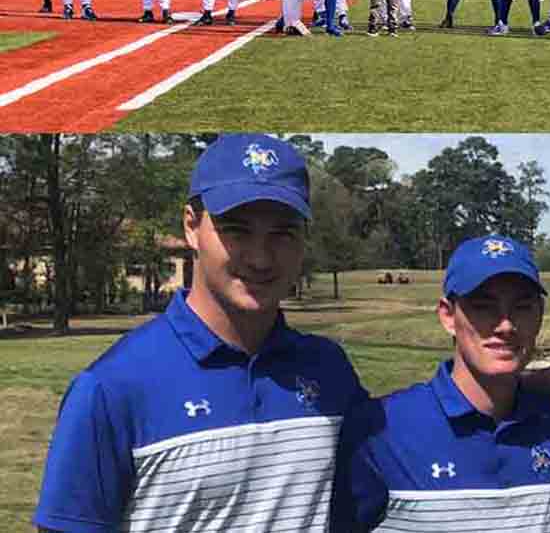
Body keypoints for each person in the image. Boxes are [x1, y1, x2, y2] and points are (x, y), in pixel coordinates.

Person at [32, 134, 369, 532]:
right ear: (192, 227)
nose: (260, 258)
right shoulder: (111, 389)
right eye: (236, 231)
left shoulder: (328, 370)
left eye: (282, 233)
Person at [335, 235, 550, 531]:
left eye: (522, 307)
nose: (506, 325)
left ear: (540, 315)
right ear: (448, 316)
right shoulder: (381, 429)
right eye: (484, 307)